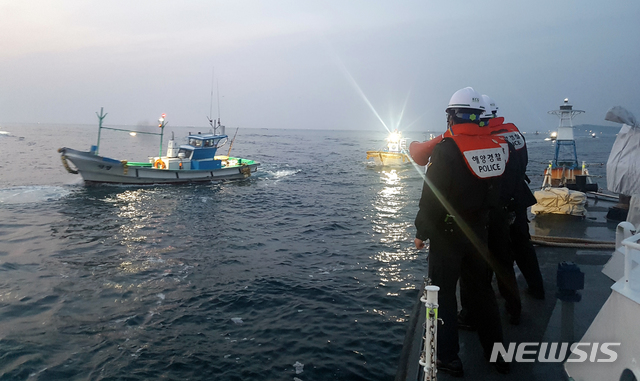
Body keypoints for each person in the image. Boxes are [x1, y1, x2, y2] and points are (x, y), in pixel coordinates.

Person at [414, 87, 509, 376]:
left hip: (448, 234)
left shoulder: (447, 150)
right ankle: (498, 356)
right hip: (479, 230)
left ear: (452, 117)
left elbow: (433, 197)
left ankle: (448, 357)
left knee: (442, 295)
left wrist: (421, 231)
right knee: (482, 292)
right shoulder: (496, 145)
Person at [483, 97, 545, 299]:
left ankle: (497, 297)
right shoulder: (514, 132)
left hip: (498, 200)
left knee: (494, 248)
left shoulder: (487, 137)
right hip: (519, 195)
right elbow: (523, 163)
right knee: (523, 244)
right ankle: (536, 288)